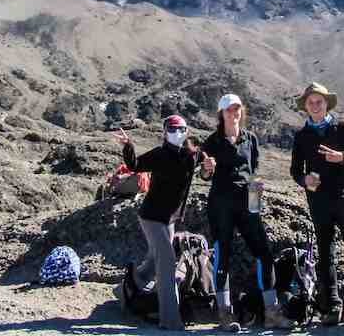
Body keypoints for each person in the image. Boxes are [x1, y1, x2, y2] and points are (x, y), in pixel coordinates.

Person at [289, 82, 344, 328]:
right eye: (311, 103)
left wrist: (342, 158)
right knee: (325, 253)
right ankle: (332, 306)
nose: (315, 106)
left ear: (326, 103)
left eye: (319, 101)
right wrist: (304, 180)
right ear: (305, 107)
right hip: (319, 202)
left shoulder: (342, 128)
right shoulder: (302, 136)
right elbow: (295, 171)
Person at [200, 93, 292, 331]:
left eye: (237, 108)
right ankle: (224, 313)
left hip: (248, 203)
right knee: (223, 254)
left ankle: (271, 311)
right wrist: (207, 170)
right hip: (221, 204)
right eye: (229, 109)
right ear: (221, 114)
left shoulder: (250, 139)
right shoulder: (212, 142)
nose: (234, 113)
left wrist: (257, 183)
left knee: (263, 252)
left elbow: (254, 169)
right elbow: (203, 173)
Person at [117, 115, 200, 331]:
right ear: (165, 132)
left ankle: (125, 288)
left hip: (170, 219)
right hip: (151, 217)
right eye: (173, 129)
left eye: (182, 129)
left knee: (155, 261)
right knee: (167, 262)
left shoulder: (190, 155)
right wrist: (128, 146)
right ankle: (170, 320)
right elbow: (134, 165)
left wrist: (209, 167)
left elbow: (206, 167)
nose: (178, 133)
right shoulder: (159, 154)